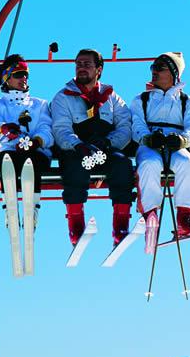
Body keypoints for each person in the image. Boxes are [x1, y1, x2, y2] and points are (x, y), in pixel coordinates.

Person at [50, 48, 135, 246]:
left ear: (99, 69)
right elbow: (60, 127)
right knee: (73, 169)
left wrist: (109, 142)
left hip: (104, 149)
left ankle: (121, 223)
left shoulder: (111, 97)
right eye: (78, 64)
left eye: (87, 64)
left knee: (122, 166)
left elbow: (125, 126)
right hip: (77, 151)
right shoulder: (64, 97)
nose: (81, 68)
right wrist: (78, 145)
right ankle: (76, 223)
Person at [130, 52, 190, 249]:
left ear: (173, 73)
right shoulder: (142, 100)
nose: (154, 71)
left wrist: (182, 140)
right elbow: (136, 123)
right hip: (150, 144)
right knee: (149, 165)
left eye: (160, 67)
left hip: (174, 145)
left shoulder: (187, 102)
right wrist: (147, 138)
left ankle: (185, 215)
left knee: (187, 164)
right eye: (153, 67)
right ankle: (150, 214)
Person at [0, 54, 53, 228]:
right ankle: (10, 209)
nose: (23, 78)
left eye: (25, 74)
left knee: (31, 162)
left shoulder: (39, 104)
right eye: (18, 74)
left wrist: (37, 141)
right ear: (6, 78)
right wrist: (4, 129)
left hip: (33, 151)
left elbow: (47, 128)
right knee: (9, 161)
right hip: (6, 150)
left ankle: (32, 211)